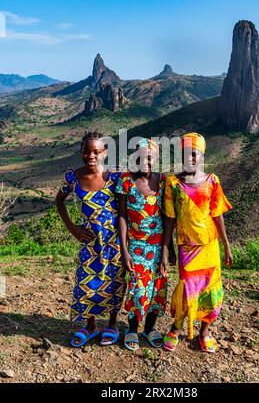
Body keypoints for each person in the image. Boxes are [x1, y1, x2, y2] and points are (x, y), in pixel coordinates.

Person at [161, 132, 233, 353]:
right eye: (185, 154)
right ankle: (176, 327)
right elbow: (170, 220)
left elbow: (217, 216)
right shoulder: (173, 183)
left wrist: (226, 246)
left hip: (209, 247)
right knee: (187, 288)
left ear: (202, 155)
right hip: (187, 248)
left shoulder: (212, 181)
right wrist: (168, 249)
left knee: (210, 291)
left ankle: (204, 332)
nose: (190, 158)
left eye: (194, 154)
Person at [55, 131, 126, 347]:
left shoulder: (114, 177)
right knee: (86, 282)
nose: (91, 156)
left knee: (114, 282)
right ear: (81, 152)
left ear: (105, 153)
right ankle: (91, 325)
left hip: (113, 241)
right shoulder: (72, 177)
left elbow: (123, 212)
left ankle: (112, 324)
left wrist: (125, 244)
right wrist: (72, 228)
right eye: (87, 151)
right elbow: (59, 201)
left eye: (96, 151)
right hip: (89, 241)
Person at [116, 138, 174, 351]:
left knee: (158, 290)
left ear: (156, 158)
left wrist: (167, 251)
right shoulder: (126, 181)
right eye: (140, 157)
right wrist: (124, 250)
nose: (145, 161)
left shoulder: (164, 181)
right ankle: (132, 329)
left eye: (149, 157)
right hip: (136, 246)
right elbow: (122, 216)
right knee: (137, 290)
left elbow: (169, 218)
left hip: (159, 247)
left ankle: (149, 329)